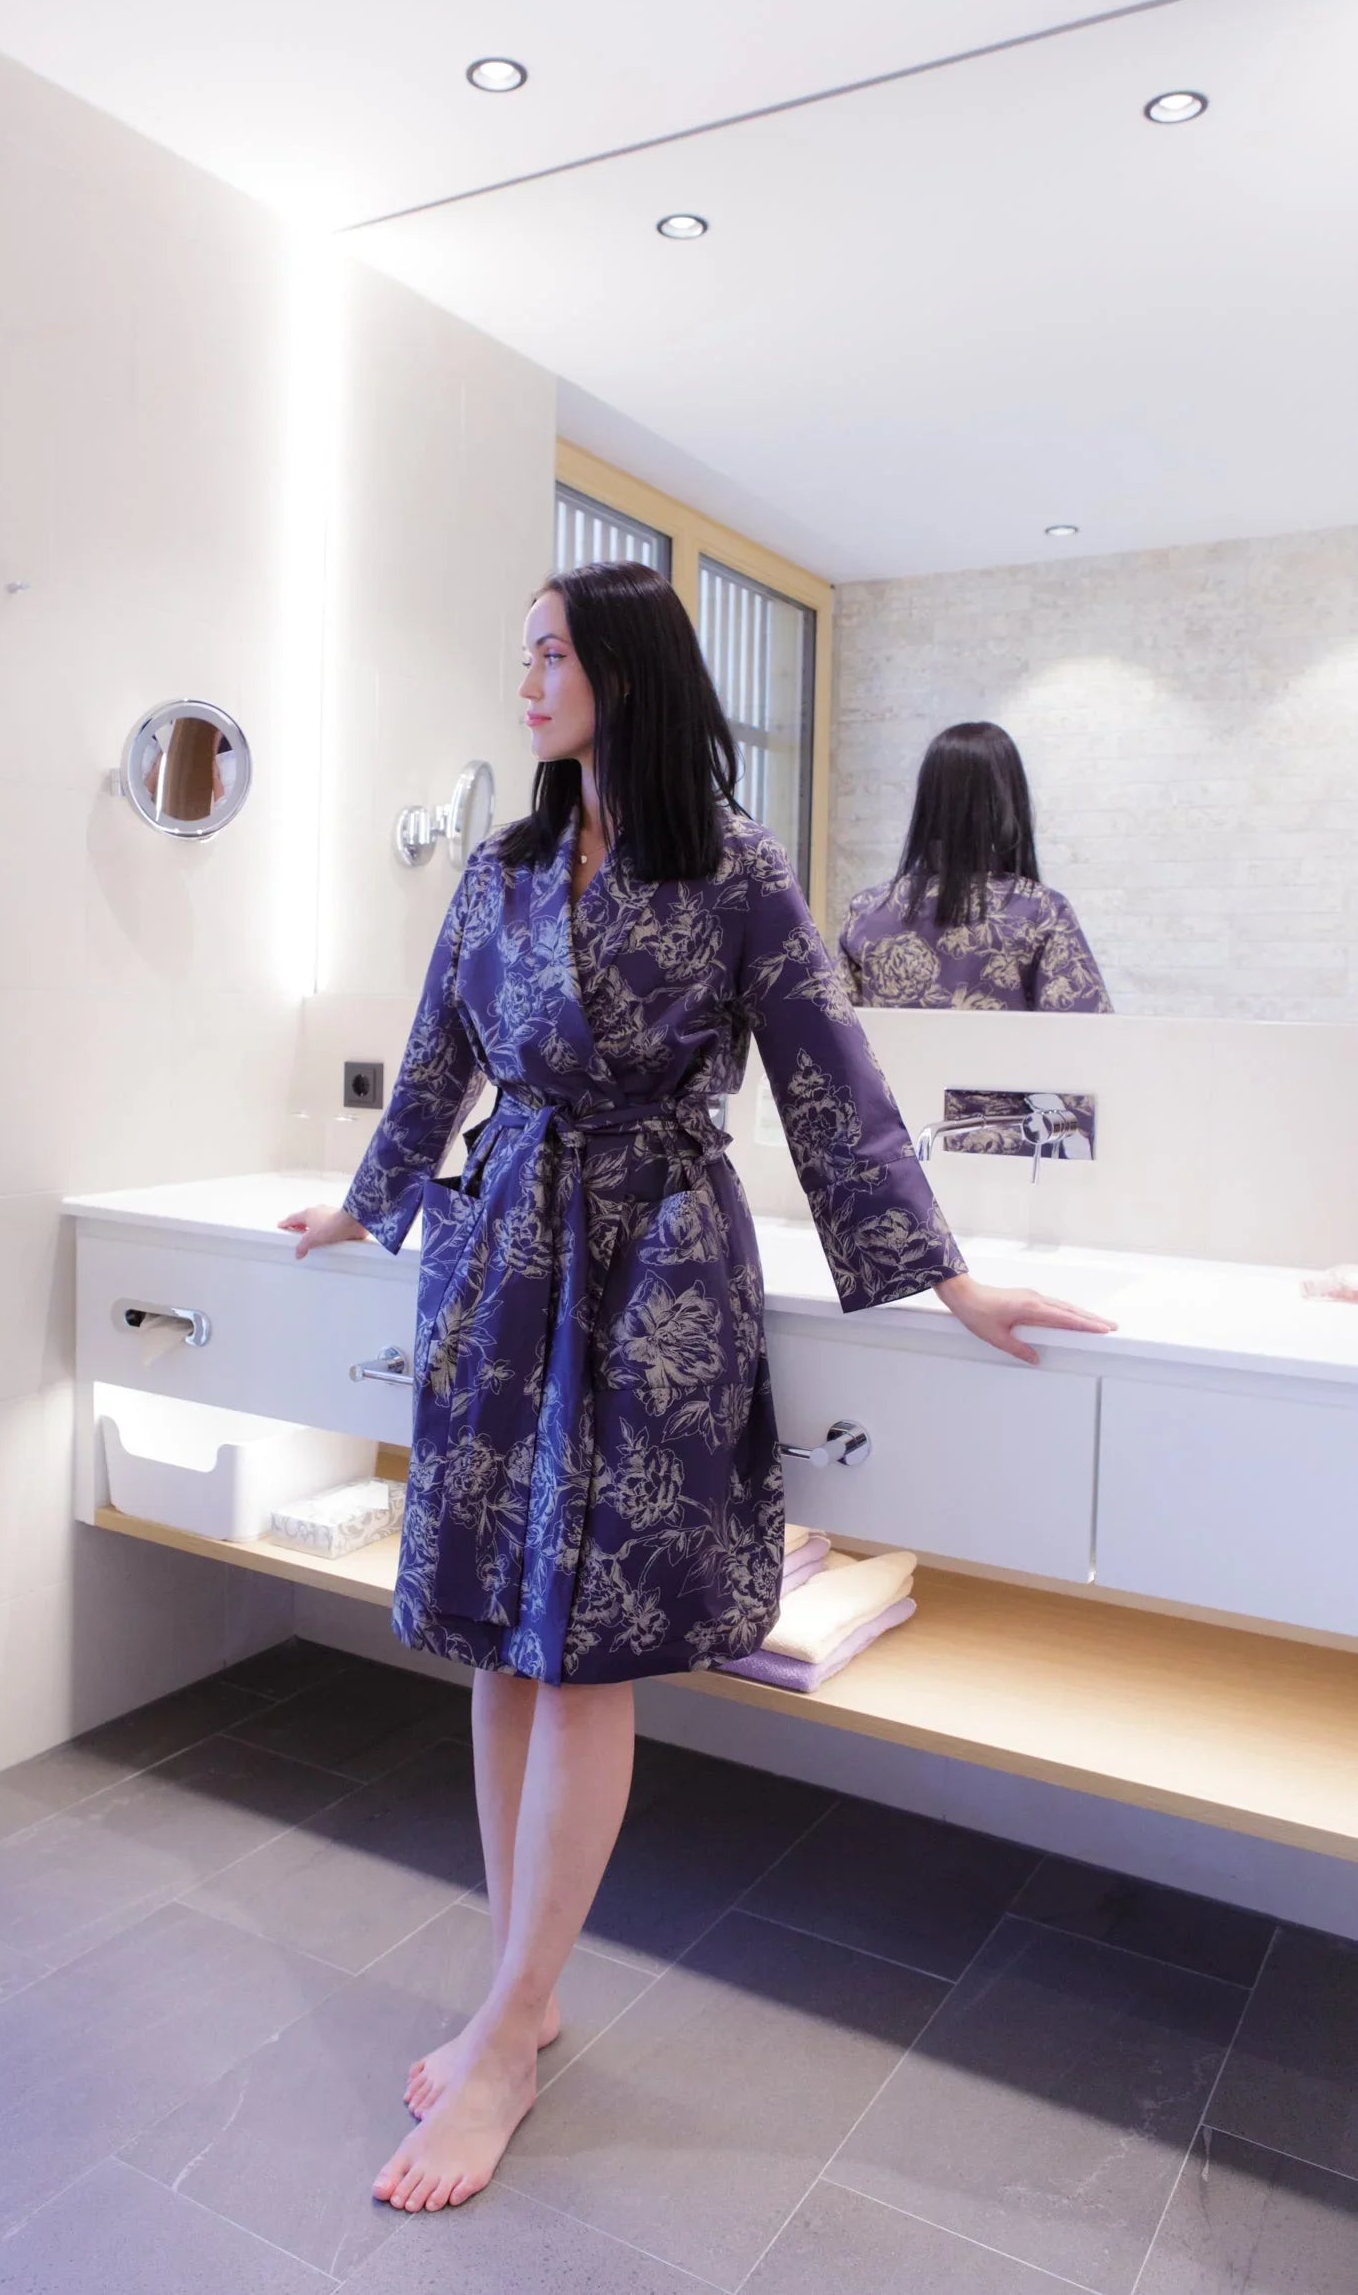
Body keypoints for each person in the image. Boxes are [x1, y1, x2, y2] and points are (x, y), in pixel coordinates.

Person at [280, 565, 1113, 2217]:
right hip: (502, 1261)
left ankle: (507, 2037)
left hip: (654, 1273)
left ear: (627, 673)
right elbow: (435, 1057)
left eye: (549, 653)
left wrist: (949, 1276)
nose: (525, 678)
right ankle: (519, 1987)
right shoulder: (501, 868)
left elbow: (831, 1088)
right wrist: (364, 1205)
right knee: (503, 1640)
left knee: (584, 1647)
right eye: (521, 650)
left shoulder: (736, 870)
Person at [837, 720, 1111, 1011]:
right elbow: (1085, 1031)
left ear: (927, 801)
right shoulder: (1042, 912)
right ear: (1009, 801)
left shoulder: (868, 911)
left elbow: (831, 1026)